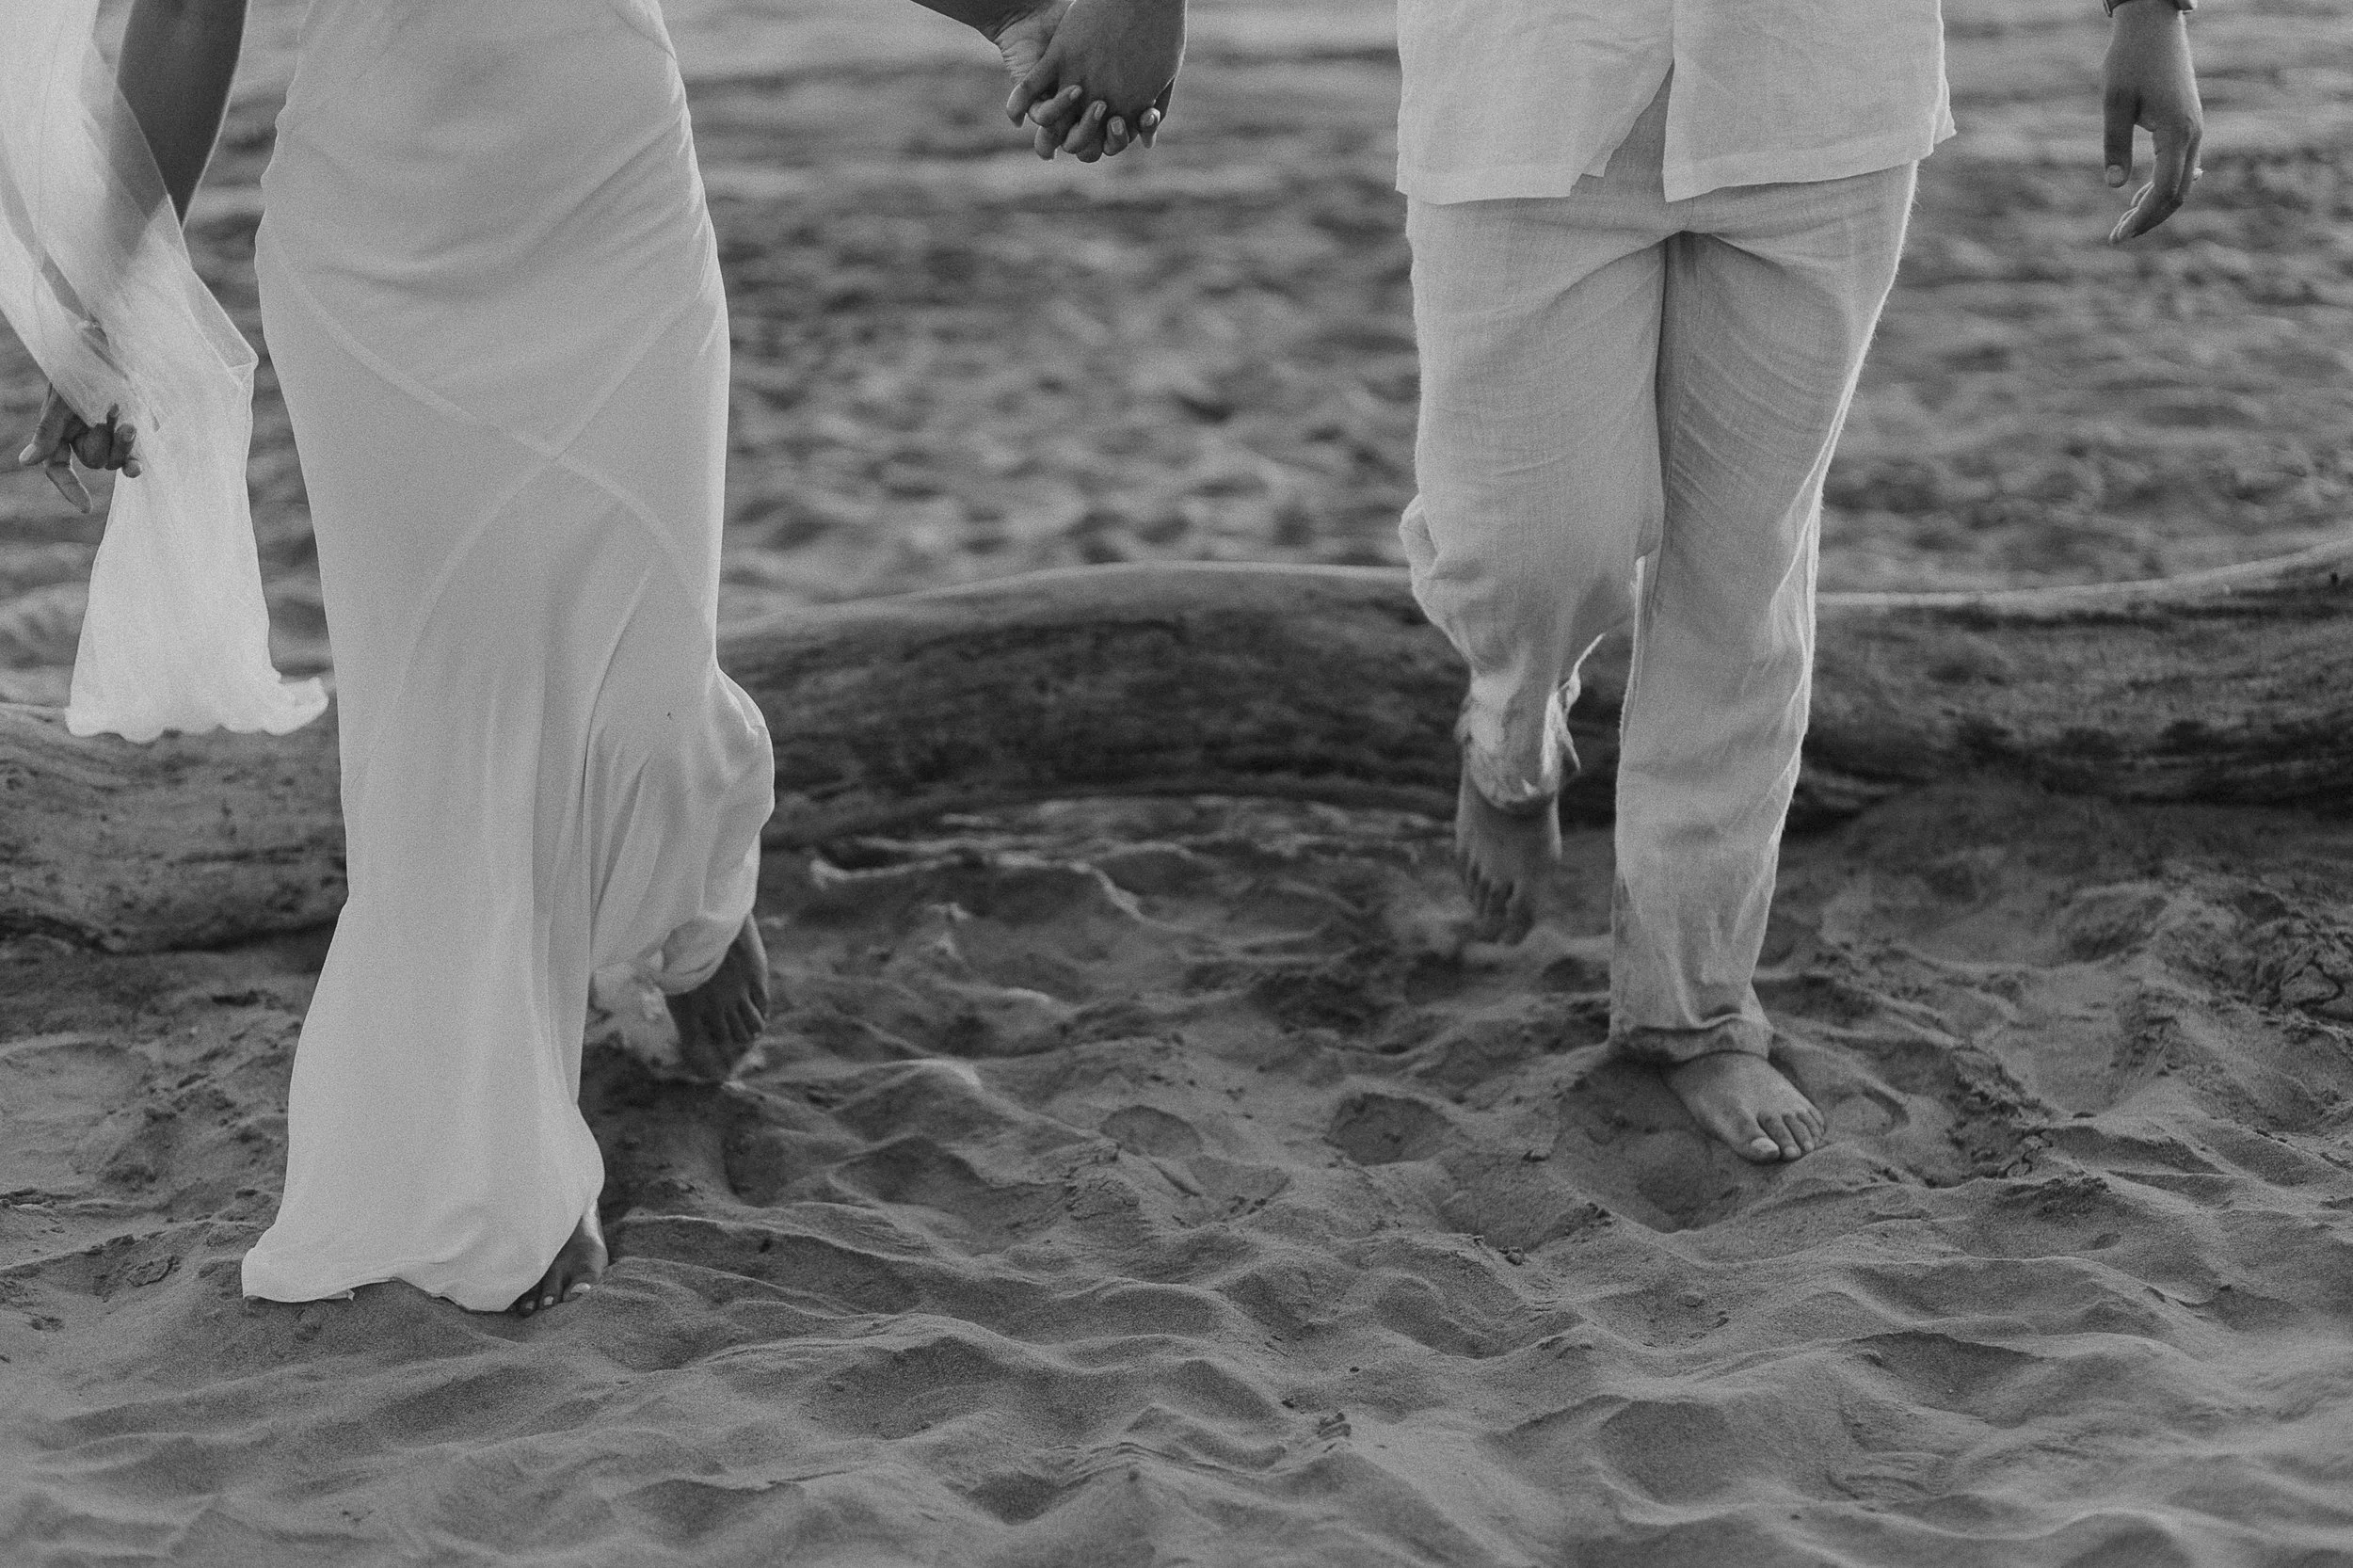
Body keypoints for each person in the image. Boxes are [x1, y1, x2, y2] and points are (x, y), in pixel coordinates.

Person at [13, 0, 1180, 1317]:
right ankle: (487, 1179)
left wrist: (1021, 15)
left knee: (645, 694)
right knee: (439, 733)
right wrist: (112, 302)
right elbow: (179, 11)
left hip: (610, 202)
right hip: (377, 251)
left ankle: (694, 874)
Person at [1394, 0, 2203, 1162]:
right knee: (1530, 549)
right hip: (1521, 83)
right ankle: (1510, 740)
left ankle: (1694, 1006)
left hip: (1818, 88)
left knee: (1744, 571)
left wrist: (2147, 12)